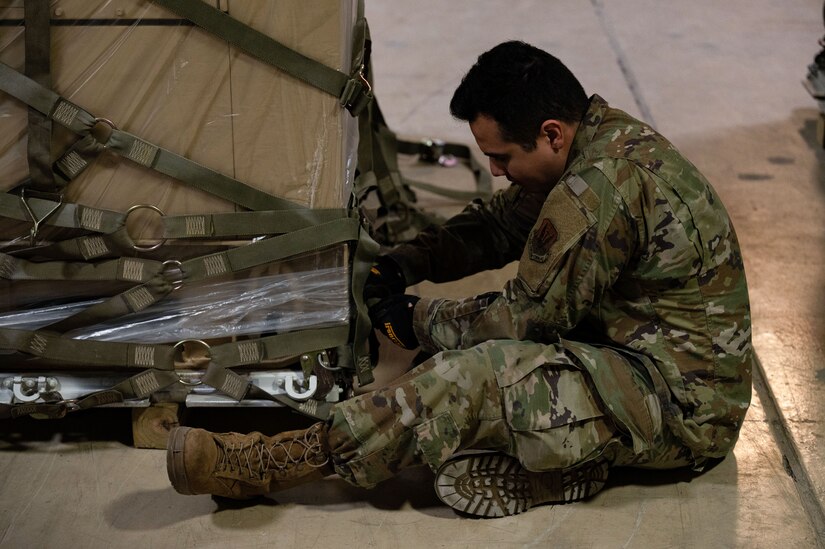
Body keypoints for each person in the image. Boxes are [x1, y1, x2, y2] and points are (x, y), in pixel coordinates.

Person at [165, 41, 754, 518]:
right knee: (460, 374)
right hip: (632, 356)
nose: (494, 171)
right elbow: (501, 225)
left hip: (681, 409)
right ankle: (558, 456)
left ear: (552, 133)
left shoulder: (598, 190)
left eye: (501, 157)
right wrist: (404, 262)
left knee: (475, 374)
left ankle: (270, 464)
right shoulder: (594, 140)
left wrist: (412, 316)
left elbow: (525, 318)